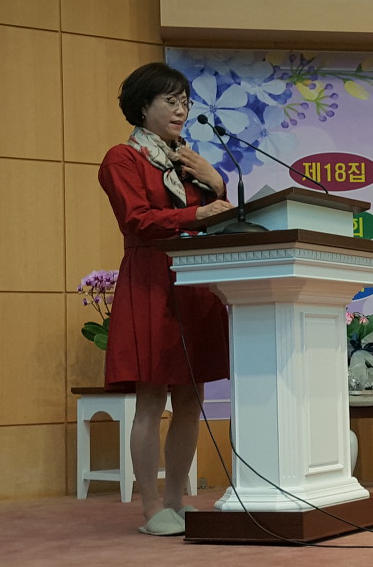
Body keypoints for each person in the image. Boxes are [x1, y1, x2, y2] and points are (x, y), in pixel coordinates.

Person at [98, 62, 234, 536]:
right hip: (152, 279)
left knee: (191, 398)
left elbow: (219, 215)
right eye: (170, 102)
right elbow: (136, 219)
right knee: (152, 397)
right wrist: (197, 212)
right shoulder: (122, 158)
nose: (181, 111)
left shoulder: (188, 160)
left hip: (195, 282)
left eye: (185, 103)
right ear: (143, 107)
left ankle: (177, 500)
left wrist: (217, 182)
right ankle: (151, 506)